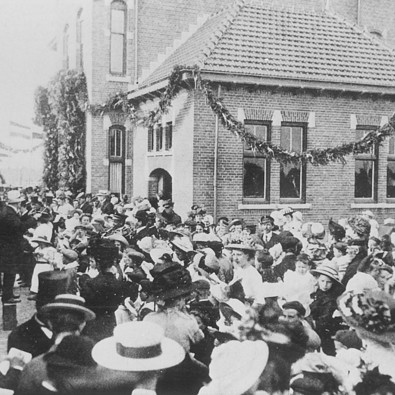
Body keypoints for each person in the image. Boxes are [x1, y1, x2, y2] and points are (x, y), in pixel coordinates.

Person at [310, 263, 344, 356]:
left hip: (326, 332)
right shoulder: (319, 292)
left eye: (328, 282)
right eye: (322, 281)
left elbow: (325, 318)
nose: (325, 285)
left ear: (333, 283)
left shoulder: (331, 299)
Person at [0, 190, 26, 304]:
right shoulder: (10, 213)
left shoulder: (8, 211)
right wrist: (33, 219)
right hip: (9, 248)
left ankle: (8, 293)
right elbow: (19, 227)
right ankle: (7, 296)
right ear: (18, 203)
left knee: (10, 272)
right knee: (10, 271)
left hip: (7, 246)